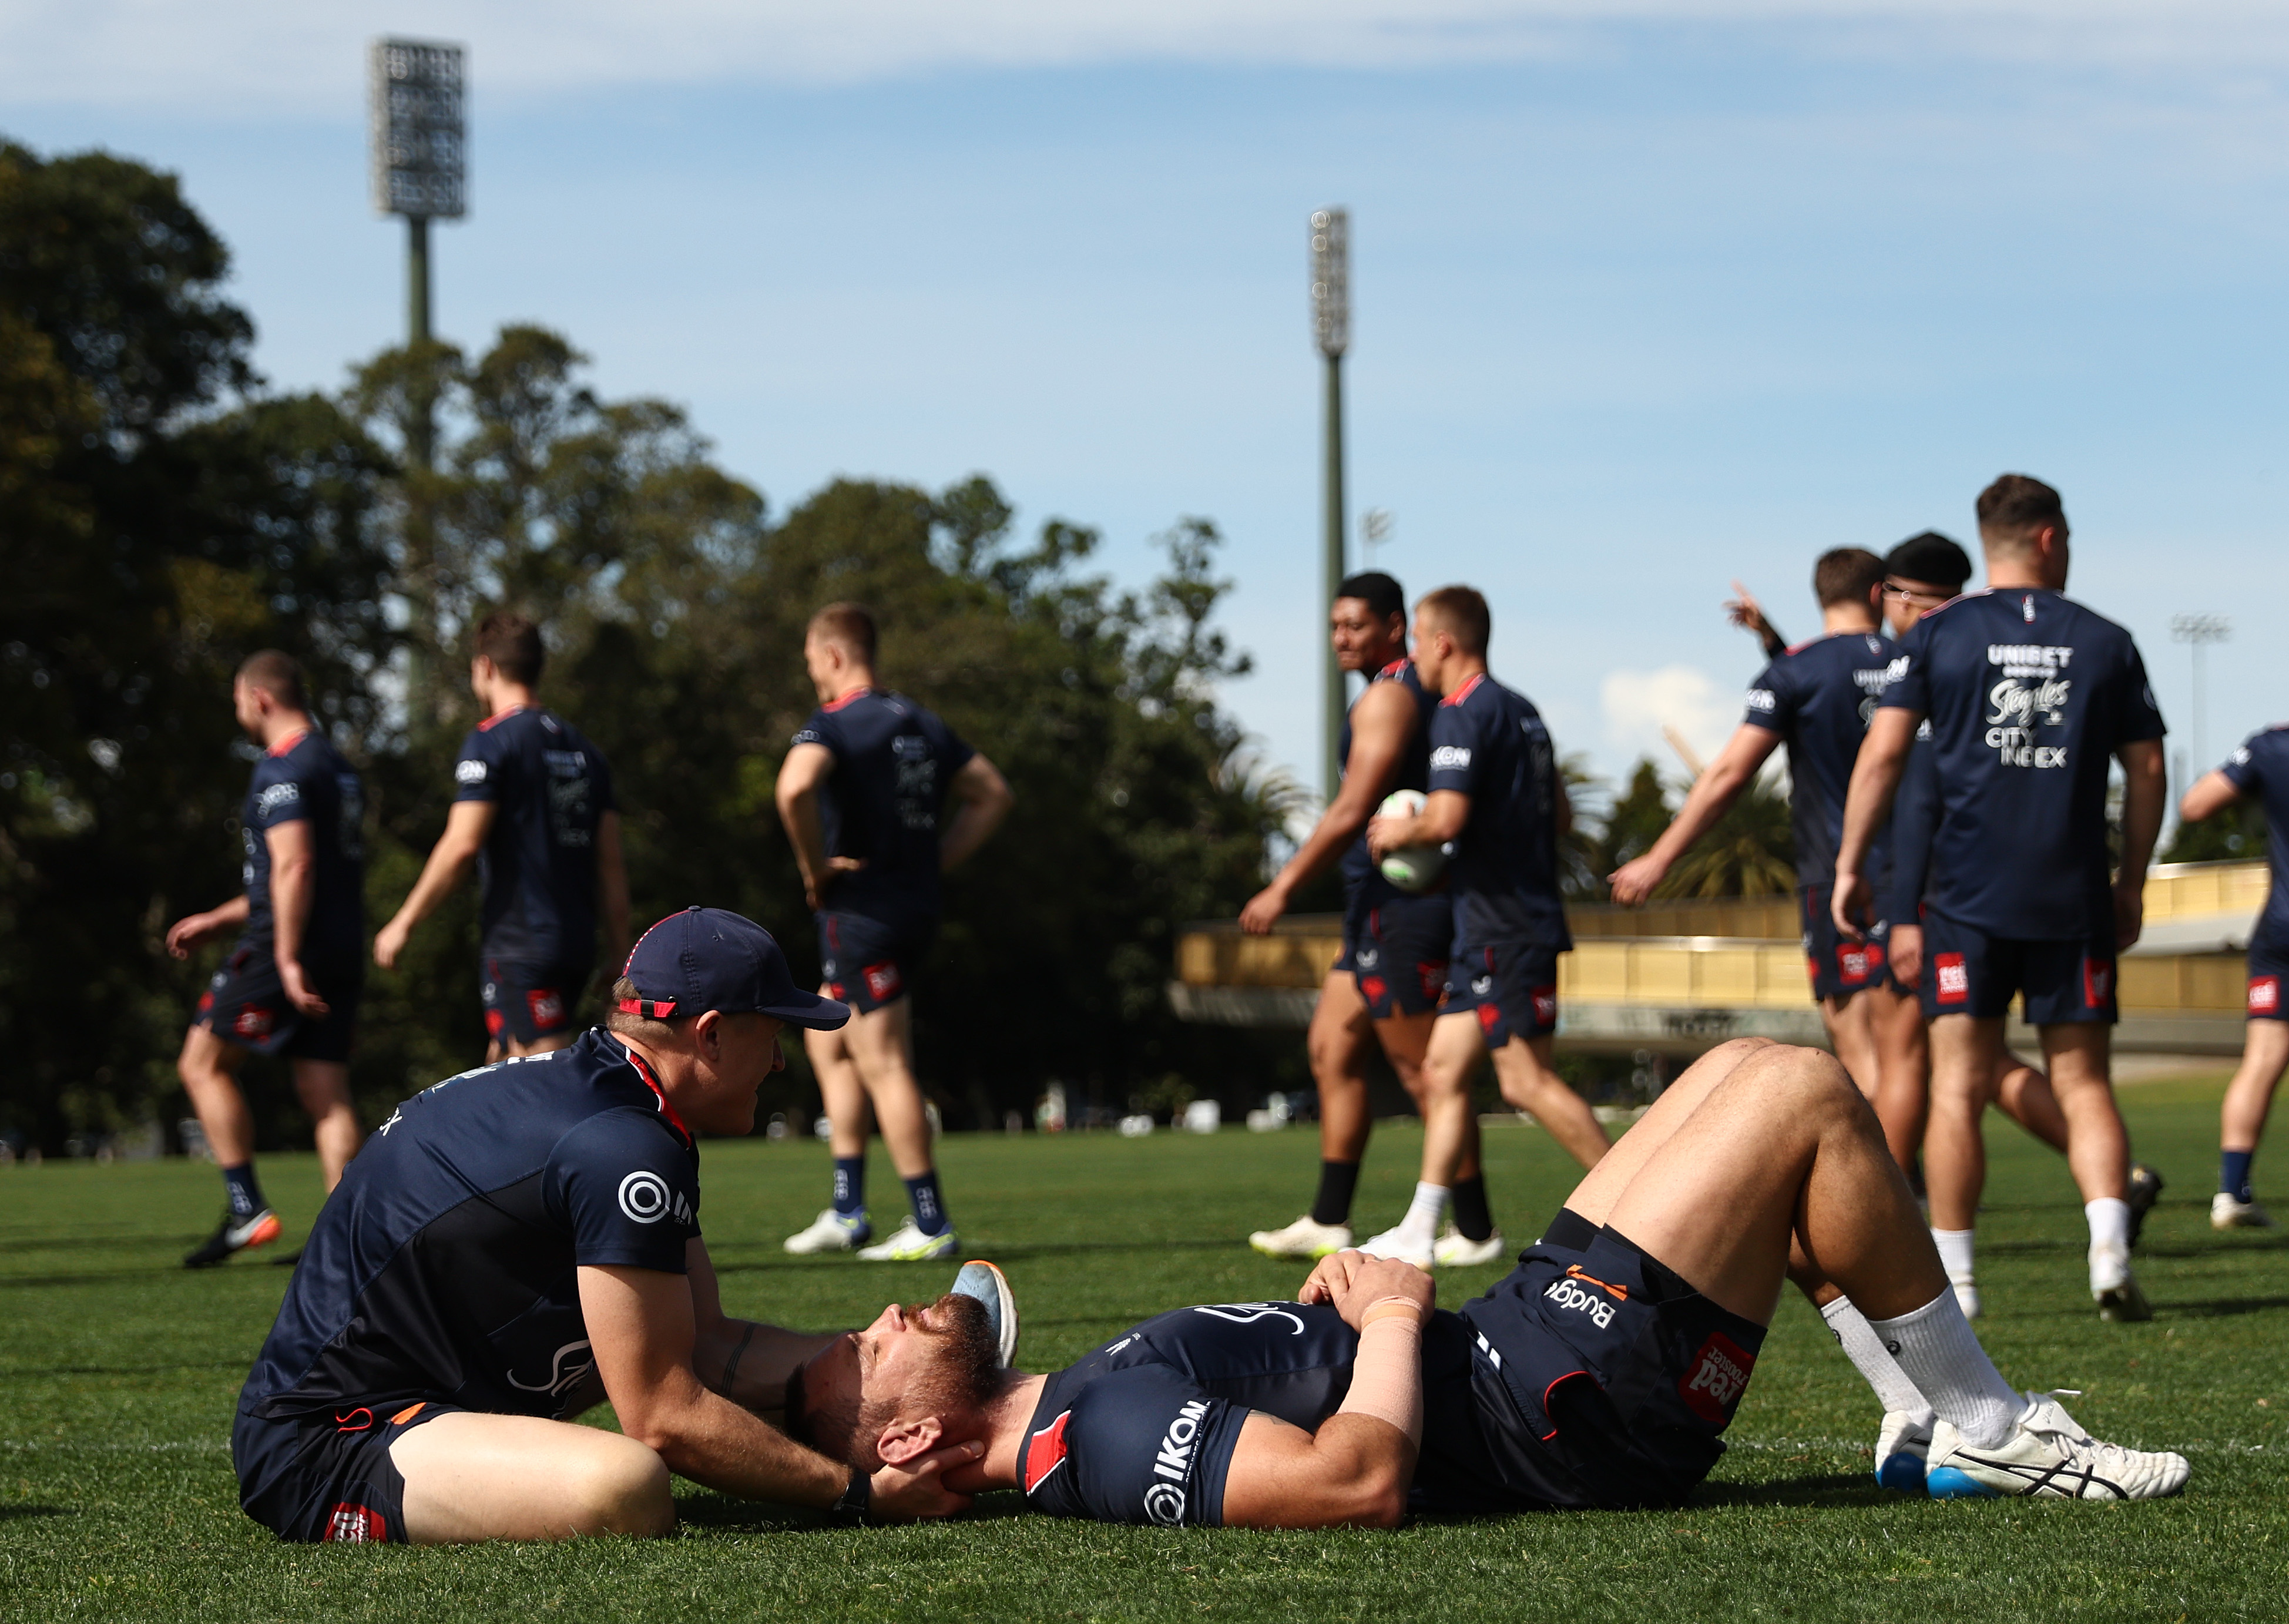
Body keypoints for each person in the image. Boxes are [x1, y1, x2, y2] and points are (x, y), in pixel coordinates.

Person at [793, 1038, 2189, 1524]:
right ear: (912, 1433)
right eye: (874, 1348)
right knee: (1800, 1093)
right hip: (1564, 1411)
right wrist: (1392, 1316)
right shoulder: (1087, 1439)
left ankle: (1912, 1425)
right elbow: (1351, 1484)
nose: (892, 1313)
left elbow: (962, 1308)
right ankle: (1995, 1430)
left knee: (1731, 1074)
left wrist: (1347, 1297)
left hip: (1509, 1341)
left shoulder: (1052, 1397)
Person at [231, 906, 1012, 1544]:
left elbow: (702, 1340)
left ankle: (933, 1410)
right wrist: (857, 1497)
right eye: (772, 1031)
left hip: (434, 1401)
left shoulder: (628, 1105)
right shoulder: (625, 1145)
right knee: (630, 1485)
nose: (780, 1061)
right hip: (333, 1443)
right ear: (709, 1033)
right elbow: (666, 1417)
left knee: (668, 1389)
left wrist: (891, 1364)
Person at [1833, 474, 2169, 1322]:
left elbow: (1883, 758)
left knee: (1957, 1084)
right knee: (2084, 1082)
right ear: (2050, 538)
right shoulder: (2108, 640)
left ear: (1993, 542)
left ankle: (1962, 1281)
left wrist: (1850, 868)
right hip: (2073, 897)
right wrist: (2131, 883)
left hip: (1965, 903)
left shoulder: (1940, 636)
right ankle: (2107, 1254)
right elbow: (2151, 769)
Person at [1241, 573, 1493, 1266]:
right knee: (1330, 1046)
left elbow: (1352, 808)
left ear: (1393, 627)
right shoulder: (1401, 689)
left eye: (1355, 625)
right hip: (1370, 906)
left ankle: (1472, 1226)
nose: (1340, 639)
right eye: (1333, 626)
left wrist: (1282, 886)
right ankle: (1329, 1217)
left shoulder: (1389, 693)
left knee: (1422, 1072)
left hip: (1404, 906)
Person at [1358, 586, 1607, 1268]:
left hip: (1504, 926)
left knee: (1526, 1082)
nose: (1412, 658)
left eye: (1417, 644)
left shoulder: (1460, 713)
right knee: (1441, 1068)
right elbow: (1558, 814)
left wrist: (1393, 830)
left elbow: (1442, 820)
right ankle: (1423, 1227)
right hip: (1493, 924)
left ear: (1443, 642)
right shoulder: (1523, 712)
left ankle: (1634, 1210)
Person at [1612, 548, 1897, 1096]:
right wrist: (1770, 636)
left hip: (1836, 876)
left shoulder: (1793, 671)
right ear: (1876, 593)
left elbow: (1728, 775)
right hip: (1918, 879)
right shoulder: (1914, 664)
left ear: (1823, 596)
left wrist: (1659, 858)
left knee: (1860, 1050)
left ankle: (1884, 1181)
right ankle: (1915, 1179)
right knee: (1910, 1052)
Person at [776, 603, 1014, 1262]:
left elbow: (792, 789)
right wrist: (933, 859)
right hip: (907, 906)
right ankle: (848, 1209)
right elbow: (992, 792)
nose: (812, 677)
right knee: (829, 1043)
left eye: (809, 663)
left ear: (831, 656)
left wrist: (813, 868)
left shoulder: (835, 723)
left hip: (863, 915)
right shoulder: (921, 723)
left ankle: (930, 1221)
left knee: (884, 1059)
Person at [165, 652, 368, 1269]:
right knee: (324, 1088)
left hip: (289, 945)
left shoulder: (283, 767)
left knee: (200, 1063)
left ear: (258, 699)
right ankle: (348, 1240)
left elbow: (295, 865)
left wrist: (281, 955)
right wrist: (218, 919)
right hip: (340, 941)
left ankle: (245, 1206)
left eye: (235, 701)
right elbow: (301, 873)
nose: (237, 714)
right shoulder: (338, 766)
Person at [374, 612, 630, 1062]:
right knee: (502, 1066)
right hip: (574, 940)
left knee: (541, 1084)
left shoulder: (492, 741)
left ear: (486, 667)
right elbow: (611, 864)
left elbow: (462, 845)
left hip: (523, 943)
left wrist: (403, 923)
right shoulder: (586, 751)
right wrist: (618, 952)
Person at [2178, 723, 2289, 1229]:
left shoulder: (2272, 745)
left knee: (2264, 1058)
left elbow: (2196, 805)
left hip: (2280, 928)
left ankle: (2233, 1190)